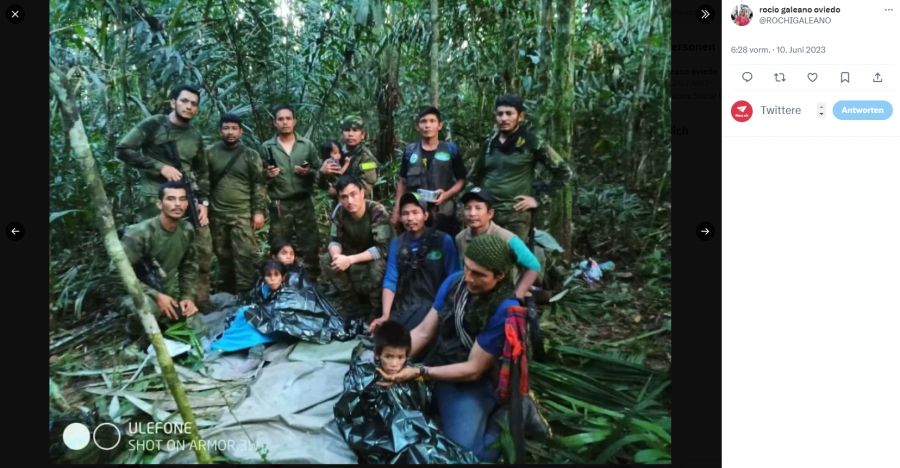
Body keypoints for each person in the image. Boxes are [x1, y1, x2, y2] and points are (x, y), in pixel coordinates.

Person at [376, 234, 530, 461]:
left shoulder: (503, 309)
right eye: (467, 268)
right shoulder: (454, 283)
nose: (469, 278)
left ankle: (508, 416)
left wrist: (419, 373)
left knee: (464, 455)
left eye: (479, 274)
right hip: (441, 365)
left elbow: (474, 369)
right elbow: (424, 331)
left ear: (500, 276)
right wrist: (391, 355)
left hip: (472, 382)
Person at [116, 84, 214, 311]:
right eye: (184, 101)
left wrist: (203, 203)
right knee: (154, 252)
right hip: (155, 198)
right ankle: (155, 303)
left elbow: (203, 172)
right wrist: (160, 167)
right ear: (173, 102)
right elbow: (123, 149)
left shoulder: (194, 136)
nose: (189, 107)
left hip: (187, 198)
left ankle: (196, 302)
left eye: (193, 104)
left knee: (201, 248)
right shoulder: (154, 125)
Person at [468, 95, 572, 241]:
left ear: (520, 116)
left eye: (509, 113)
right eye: (500, 114)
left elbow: (564, 172)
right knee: (482, 257)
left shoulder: (532, 142)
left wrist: (538, 199)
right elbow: (474, 177)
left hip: (516, 215)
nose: (504, 118)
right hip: (488, 214)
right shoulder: (489, 144)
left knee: (512, 259)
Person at [369, 193, 459, 333]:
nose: (410, 218)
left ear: (425, 215)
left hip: (434, 308)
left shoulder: (443, 240)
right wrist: (385, 315)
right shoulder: (397, 244)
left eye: (415, 212)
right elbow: (391, 279)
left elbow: (454, 278)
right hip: (404, 307)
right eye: (405, 213)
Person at [121, 181, 200, 322]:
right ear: (159, 204)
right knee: (148, 310)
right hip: (136, 292)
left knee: (196, 326)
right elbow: (117, 273)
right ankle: (135, 336)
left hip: (167, 291)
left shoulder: (187, 229)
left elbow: (189, 266)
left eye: (182, 199)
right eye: (171, 199)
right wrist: (156, 296)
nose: (177, 204)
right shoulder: (140, 233)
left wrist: (187, 297)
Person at [259, 104, 321, 281]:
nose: (285, 122)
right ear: (275, 123)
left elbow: (320, 172)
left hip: (303, 201)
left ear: (295, 121)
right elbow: (259, 177)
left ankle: (311, 280)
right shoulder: (266, 147)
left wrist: (307, 172)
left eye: (288, 118)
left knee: (310, 241)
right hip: (280, 203)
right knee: (279, 241)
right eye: (280, 119)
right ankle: (280, 280)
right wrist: (268, 174)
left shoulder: (306, 145)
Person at [206, 113, 267, 294]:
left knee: (244, 256)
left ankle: (245, 293)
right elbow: (202, 181)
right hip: (217, 214)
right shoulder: (209, 153)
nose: (230, 132)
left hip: (242, 213)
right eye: (226, 128)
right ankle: (227, 291)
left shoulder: (250, 155)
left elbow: (258, 184)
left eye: (234, 128)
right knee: (223, 255)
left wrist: (258, 211)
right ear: (220, 131)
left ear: (241, 132)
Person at [320, 176, 393, 321]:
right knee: (327, 259)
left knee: (378, 266)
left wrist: (349, 260)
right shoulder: (340, 212)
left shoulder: (376, 211)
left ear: (362, 193)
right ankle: (352, 305)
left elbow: (383, 248)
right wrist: (336, 257)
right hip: (351, 255)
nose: (349, 201)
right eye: (344, 197)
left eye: (353, 194)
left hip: (373, 257)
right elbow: (334, 240)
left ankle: (376, 309)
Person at [391, 106, 467, 236]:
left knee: (444, 248)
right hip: (416, 215)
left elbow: (461, 180)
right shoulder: (410, 151)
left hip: (444, 213)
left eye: (432, 121)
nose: (427, 125)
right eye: (423, 121)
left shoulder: (451, 150)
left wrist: (446, 194)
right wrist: (397, 208)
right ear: (418, 126)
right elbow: (403, 181)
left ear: (440, 125)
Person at [455, 187, 540, 300]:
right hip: (474, 292)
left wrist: (518, 294)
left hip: (502, 295)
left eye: (478, 208)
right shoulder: (460, 238)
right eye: (468, 208)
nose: (472, 213)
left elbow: (534, 266)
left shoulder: (506, 238)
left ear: (490, 213)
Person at [319, 115, 379, 198]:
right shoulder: (335, 151)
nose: (350, 134)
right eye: (347, 130)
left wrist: (337, 192)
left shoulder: (367, 159)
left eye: (355, 130)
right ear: (342, 134)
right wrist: (322, 172)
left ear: (362, 135)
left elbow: (366, 189)